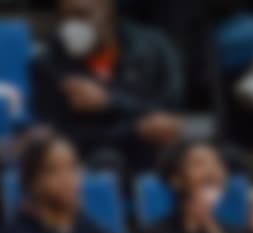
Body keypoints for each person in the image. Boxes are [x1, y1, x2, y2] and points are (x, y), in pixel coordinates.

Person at [33, 0, 184, 175]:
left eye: (82, 15)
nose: (72, 25)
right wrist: (133, 130)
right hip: (90, 161)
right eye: (65, 16)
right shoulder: (49, 62)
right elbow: (58, 134)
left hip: (152, 153)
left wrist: (110, 101)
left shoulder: (155, 49)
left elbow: (169, 112)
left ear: (109, 11)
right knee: (107, 161)